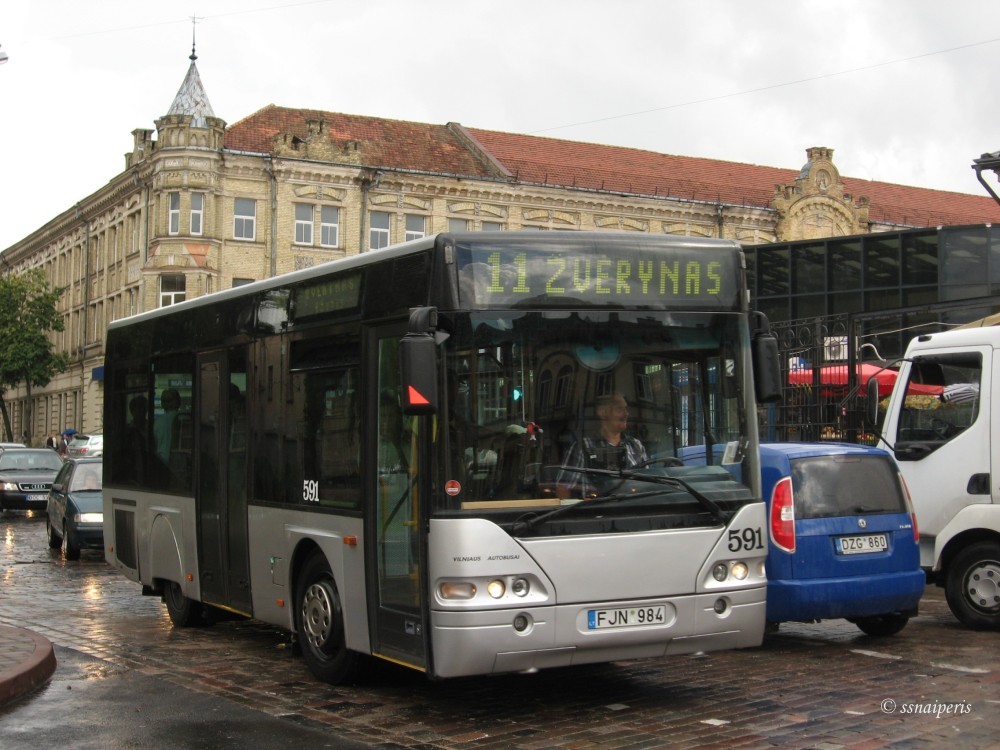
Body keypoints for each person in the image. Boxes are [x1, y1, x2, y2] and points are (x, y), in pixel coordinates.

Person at [557, 393, 648, 499]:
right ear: (602, 412)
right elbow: (562, 489)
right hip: (595, 512)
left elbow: (648, 484)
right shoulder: (582, 448)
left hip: (635, 512)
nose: (626, 413)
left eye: (626, 409)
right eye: (619, 409)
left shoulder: (636, 445)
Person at [154, 389, 181, 463]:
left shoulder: (158, 422)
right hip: (181, 462)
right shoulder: (185, 418)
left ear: (163, 404)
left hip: (162, 462)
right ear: (179, 402)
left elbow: (154, 444)